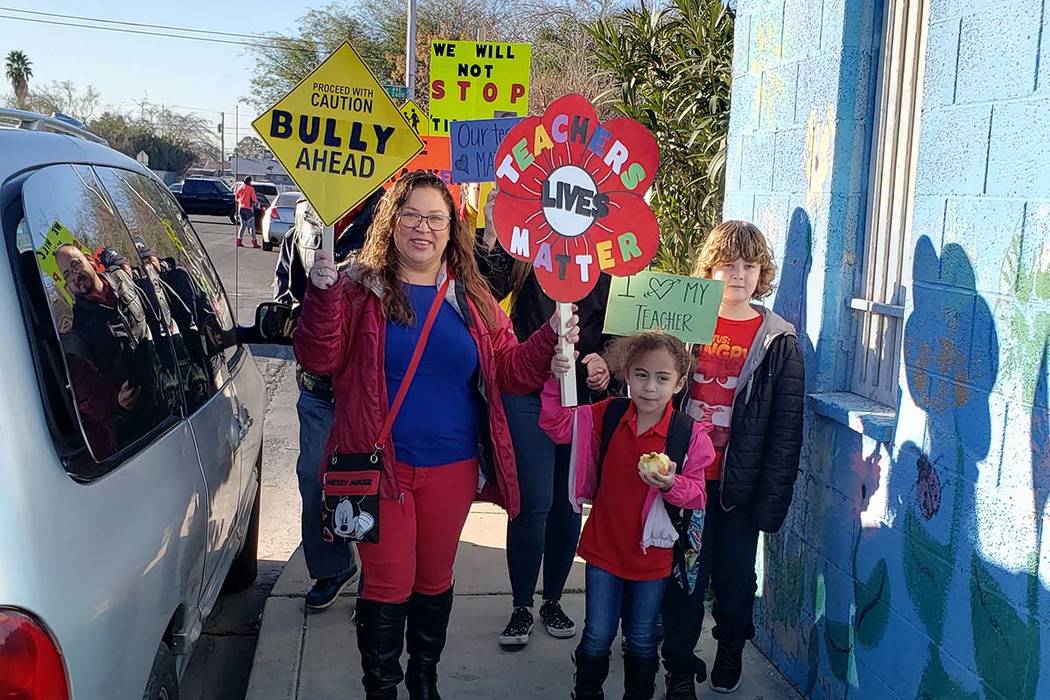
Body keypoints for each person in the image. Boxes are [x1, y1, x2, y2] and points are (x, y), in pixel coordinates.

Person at [294, 170, 580, 700]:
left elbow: (510, 370)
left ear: (452, 230)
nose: (421, 228)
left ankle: (424, 683)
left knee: (434, 580)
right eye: (410, 215)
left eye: (435, 218)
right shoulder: (357, 288)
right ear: (391, 222)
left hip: (452, 469)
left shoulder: (471, 297)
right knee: (387, 583)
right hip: (380, 470)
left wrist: (550, 340)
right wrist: (321, 294)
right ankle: (382, 689)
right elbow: (319, 358)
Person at [660, 220, 805, 698]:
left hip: (739, 488)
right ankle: (679, 665)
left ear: (761, 271)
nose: (737, 274)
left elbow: (786, 432)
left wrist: (770, 501)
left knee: (736, 578)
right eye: (727, 264)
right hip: (686, 481)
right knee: (683, 575)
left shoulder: (778, 340)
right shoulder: (685, 321)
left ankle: (730, 647)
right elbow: (652, 385)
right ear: (709, 269)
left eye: (748, 264)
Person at [471, 184, 614, 647]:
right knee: (532, 504)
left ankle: (552, 600)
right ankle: (521, 606)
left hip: (578, 399)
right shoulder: (526, 248)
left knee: (566, 504)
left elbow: (617, 332)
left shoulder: (607, 262)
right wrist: (491, 231)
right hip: (526, 389)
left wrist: (603, 363)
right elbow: (482, 291)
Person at [539, 331, 713, 700]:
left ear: (679, 384)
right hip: (604, 549)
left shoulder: (688, 435)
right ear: (626, 375)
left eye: (662, 378)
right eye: (641, 375)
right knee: (597, 633)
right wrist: (558, 380)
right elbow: (555, 424)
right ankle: (586, 690)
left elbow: (697, 495)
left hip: (653, 558)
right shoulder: (610, 414)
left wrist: (670, 484)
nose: (650, 387)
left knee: (642, 636)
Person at [271, 191, 383, 612]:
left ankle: (380, 579)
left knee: (378, 485)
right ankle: (332, 567)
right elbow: (287, 287)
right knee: (315, 480)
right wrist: (295, 308)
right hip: (319, 386)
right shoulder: (304, 219)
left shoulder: (393, 214)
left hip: (373, 383)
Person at [55, 243, 166, 458]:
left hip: (172, 390)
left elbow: (158, 311)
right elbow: (88, 397)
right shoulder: (79, 330)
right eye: (67, 275)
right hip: (142, 425)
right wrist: (116, 401)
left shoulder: (123, 279)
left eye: (75, 265)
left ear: (89, 258)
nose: (75, 277)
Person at [235, 176, 259, 248]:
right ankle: (254, 242)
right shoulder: (251, 189)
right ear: (249, 182)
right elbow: (254, 199)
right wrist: (257, 203)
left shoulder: (240, 188)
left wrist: (240, 201)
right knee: (252, 227)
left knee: (242, 225)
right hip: (248, 209)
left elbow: (236, 197)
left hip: (241, 208)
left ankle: (239, 241)